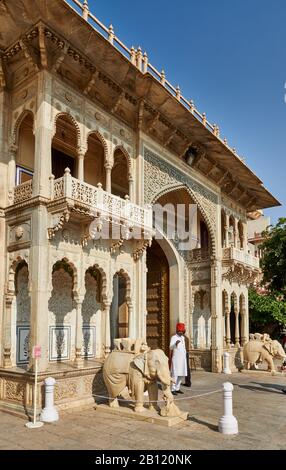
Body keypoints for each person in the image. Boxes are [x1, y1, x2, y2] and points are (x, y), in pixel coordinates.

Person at [169, 323, 188, 395]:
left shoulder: (183, 338)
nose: (181, 332)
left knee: (182, 374)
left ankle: (177, 388)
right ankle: (173, 389)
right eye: (179, 331)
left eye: (182, 331)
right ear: (177, 331)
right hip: (176, 359)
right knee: (175, 374)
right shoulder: (173, 337)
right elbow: (170, 347)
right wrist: (175, 344)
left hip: (182, 359)